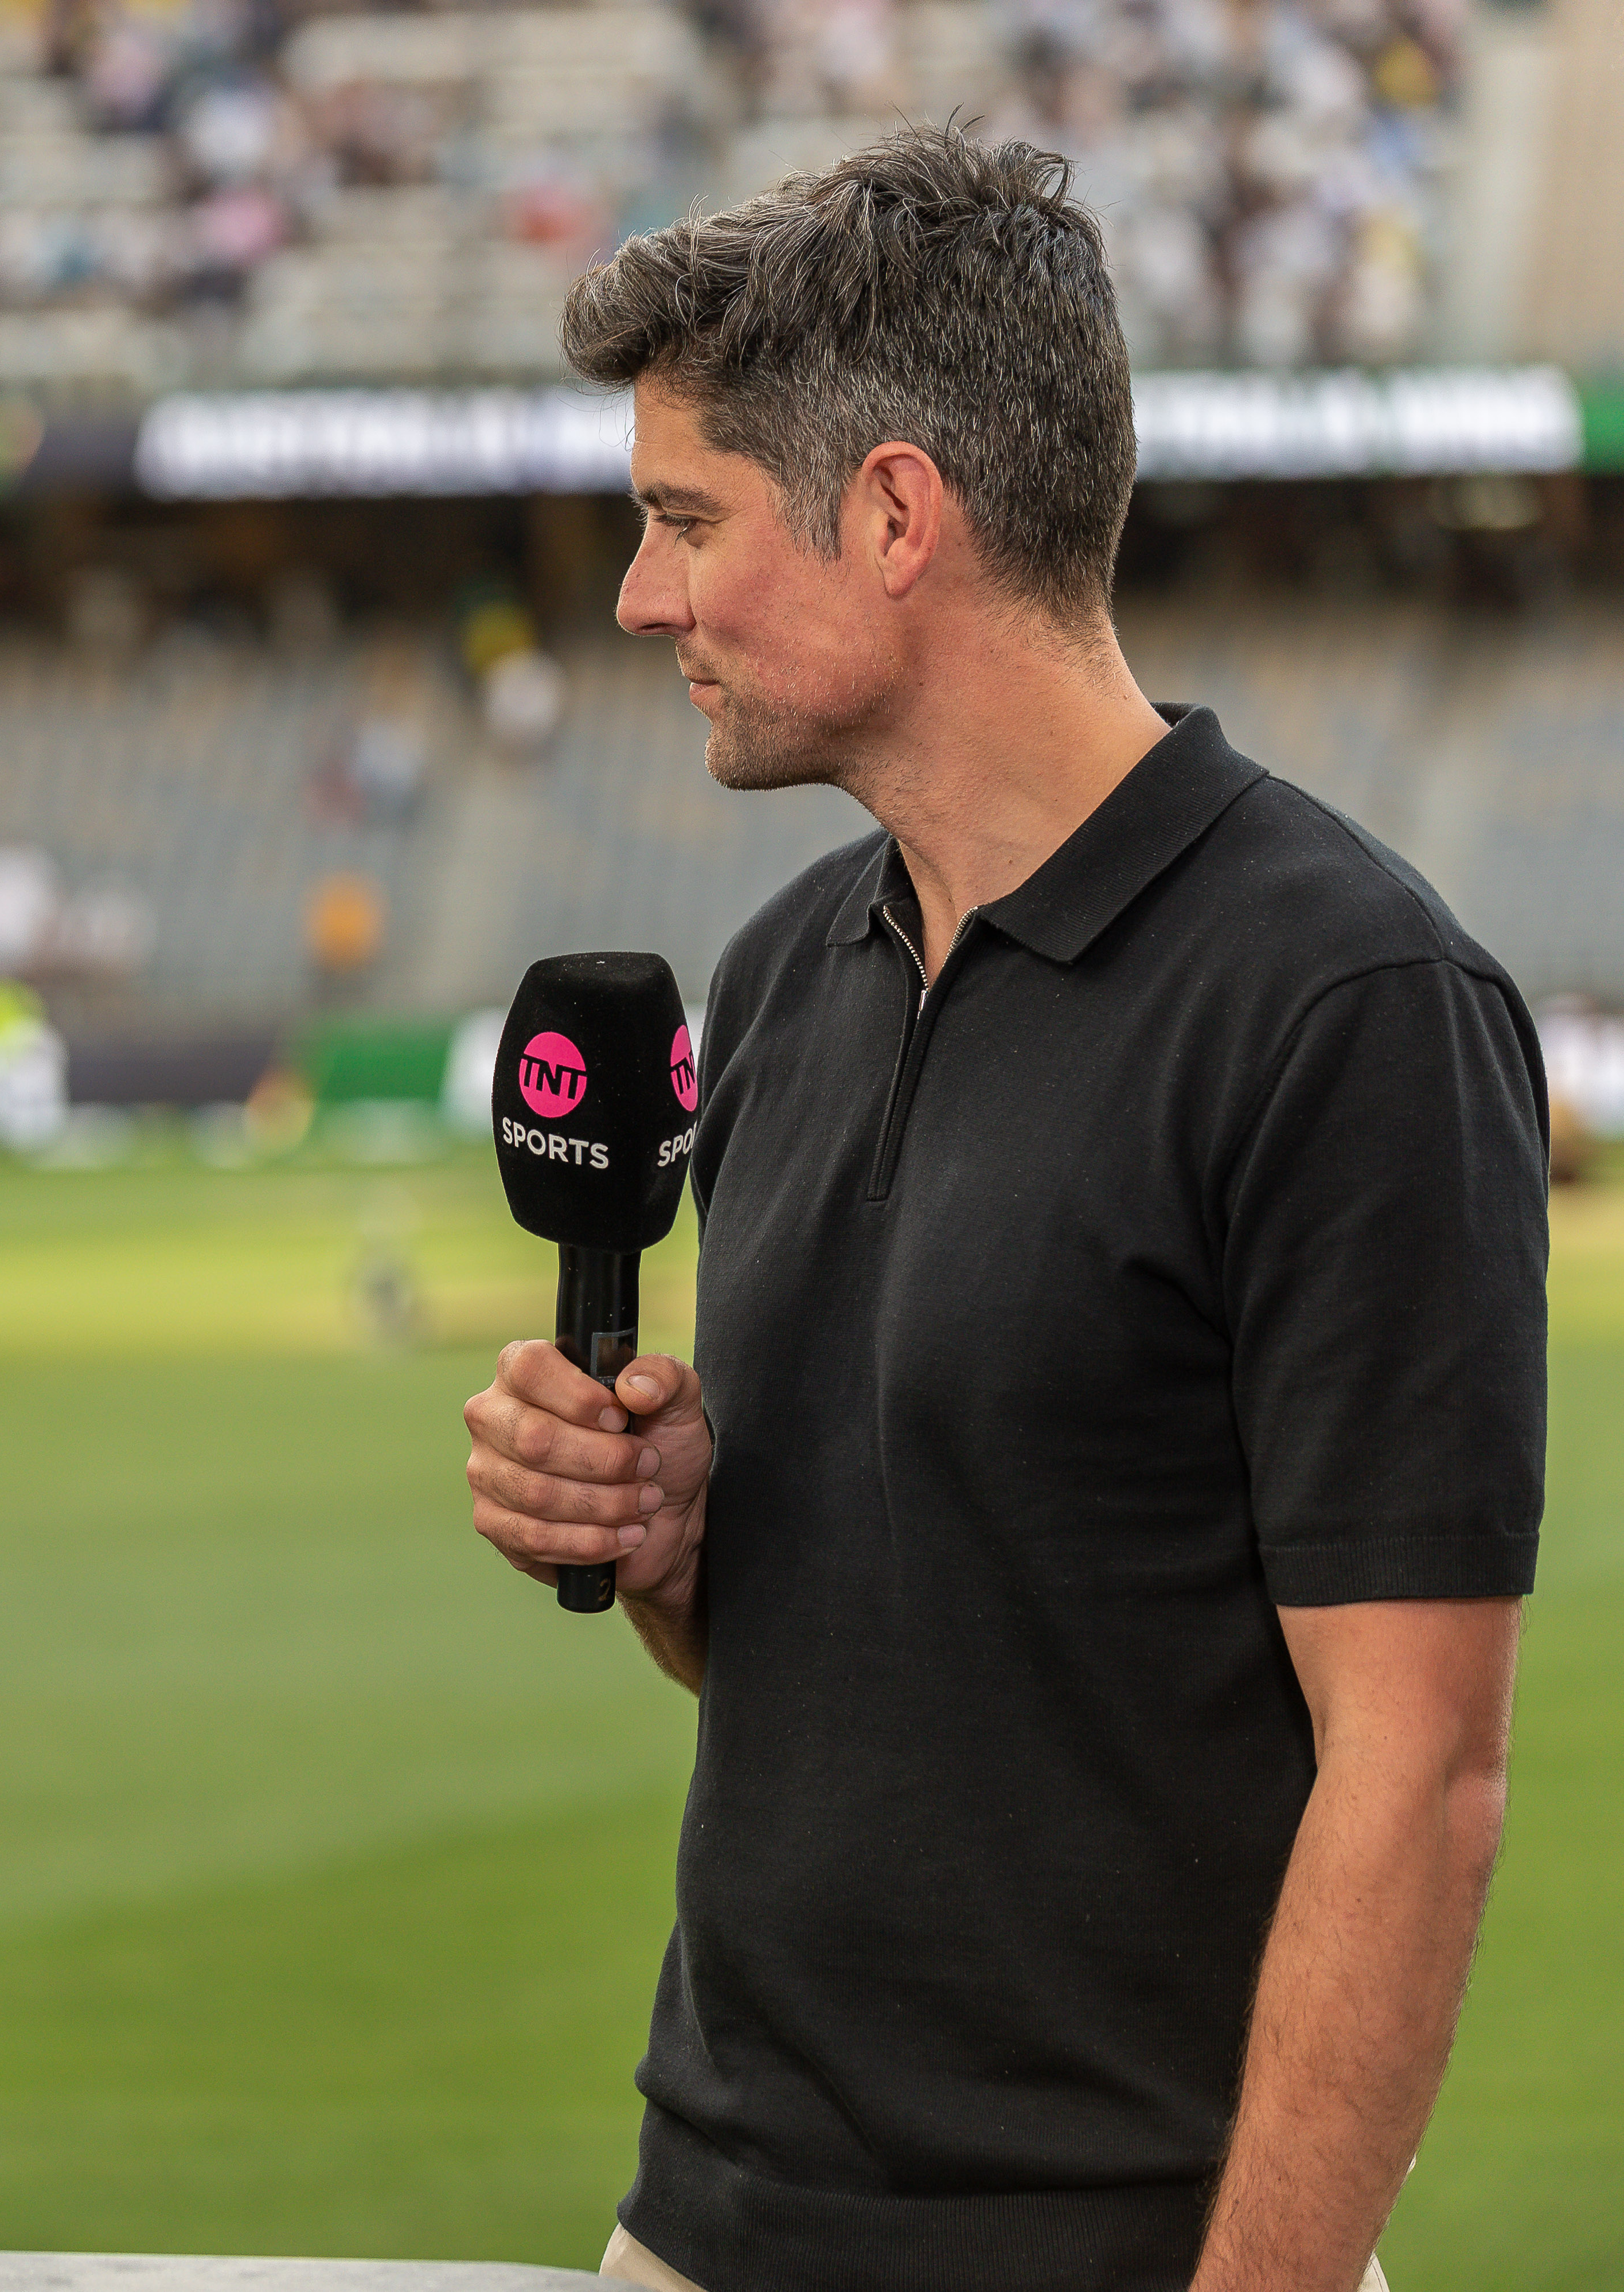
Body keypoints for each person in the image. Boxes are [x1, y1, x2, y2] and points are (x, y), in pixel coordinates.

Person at [462, 130, 1541, 2292]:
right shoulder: (780, 975)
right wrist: (680, 1548)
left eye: (685, 520)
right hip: (701, 2229)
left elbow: (1415, 1776)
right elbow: (878, 1668)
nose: (637, 597)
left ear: (890, 516)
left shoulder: (1346, 1004)